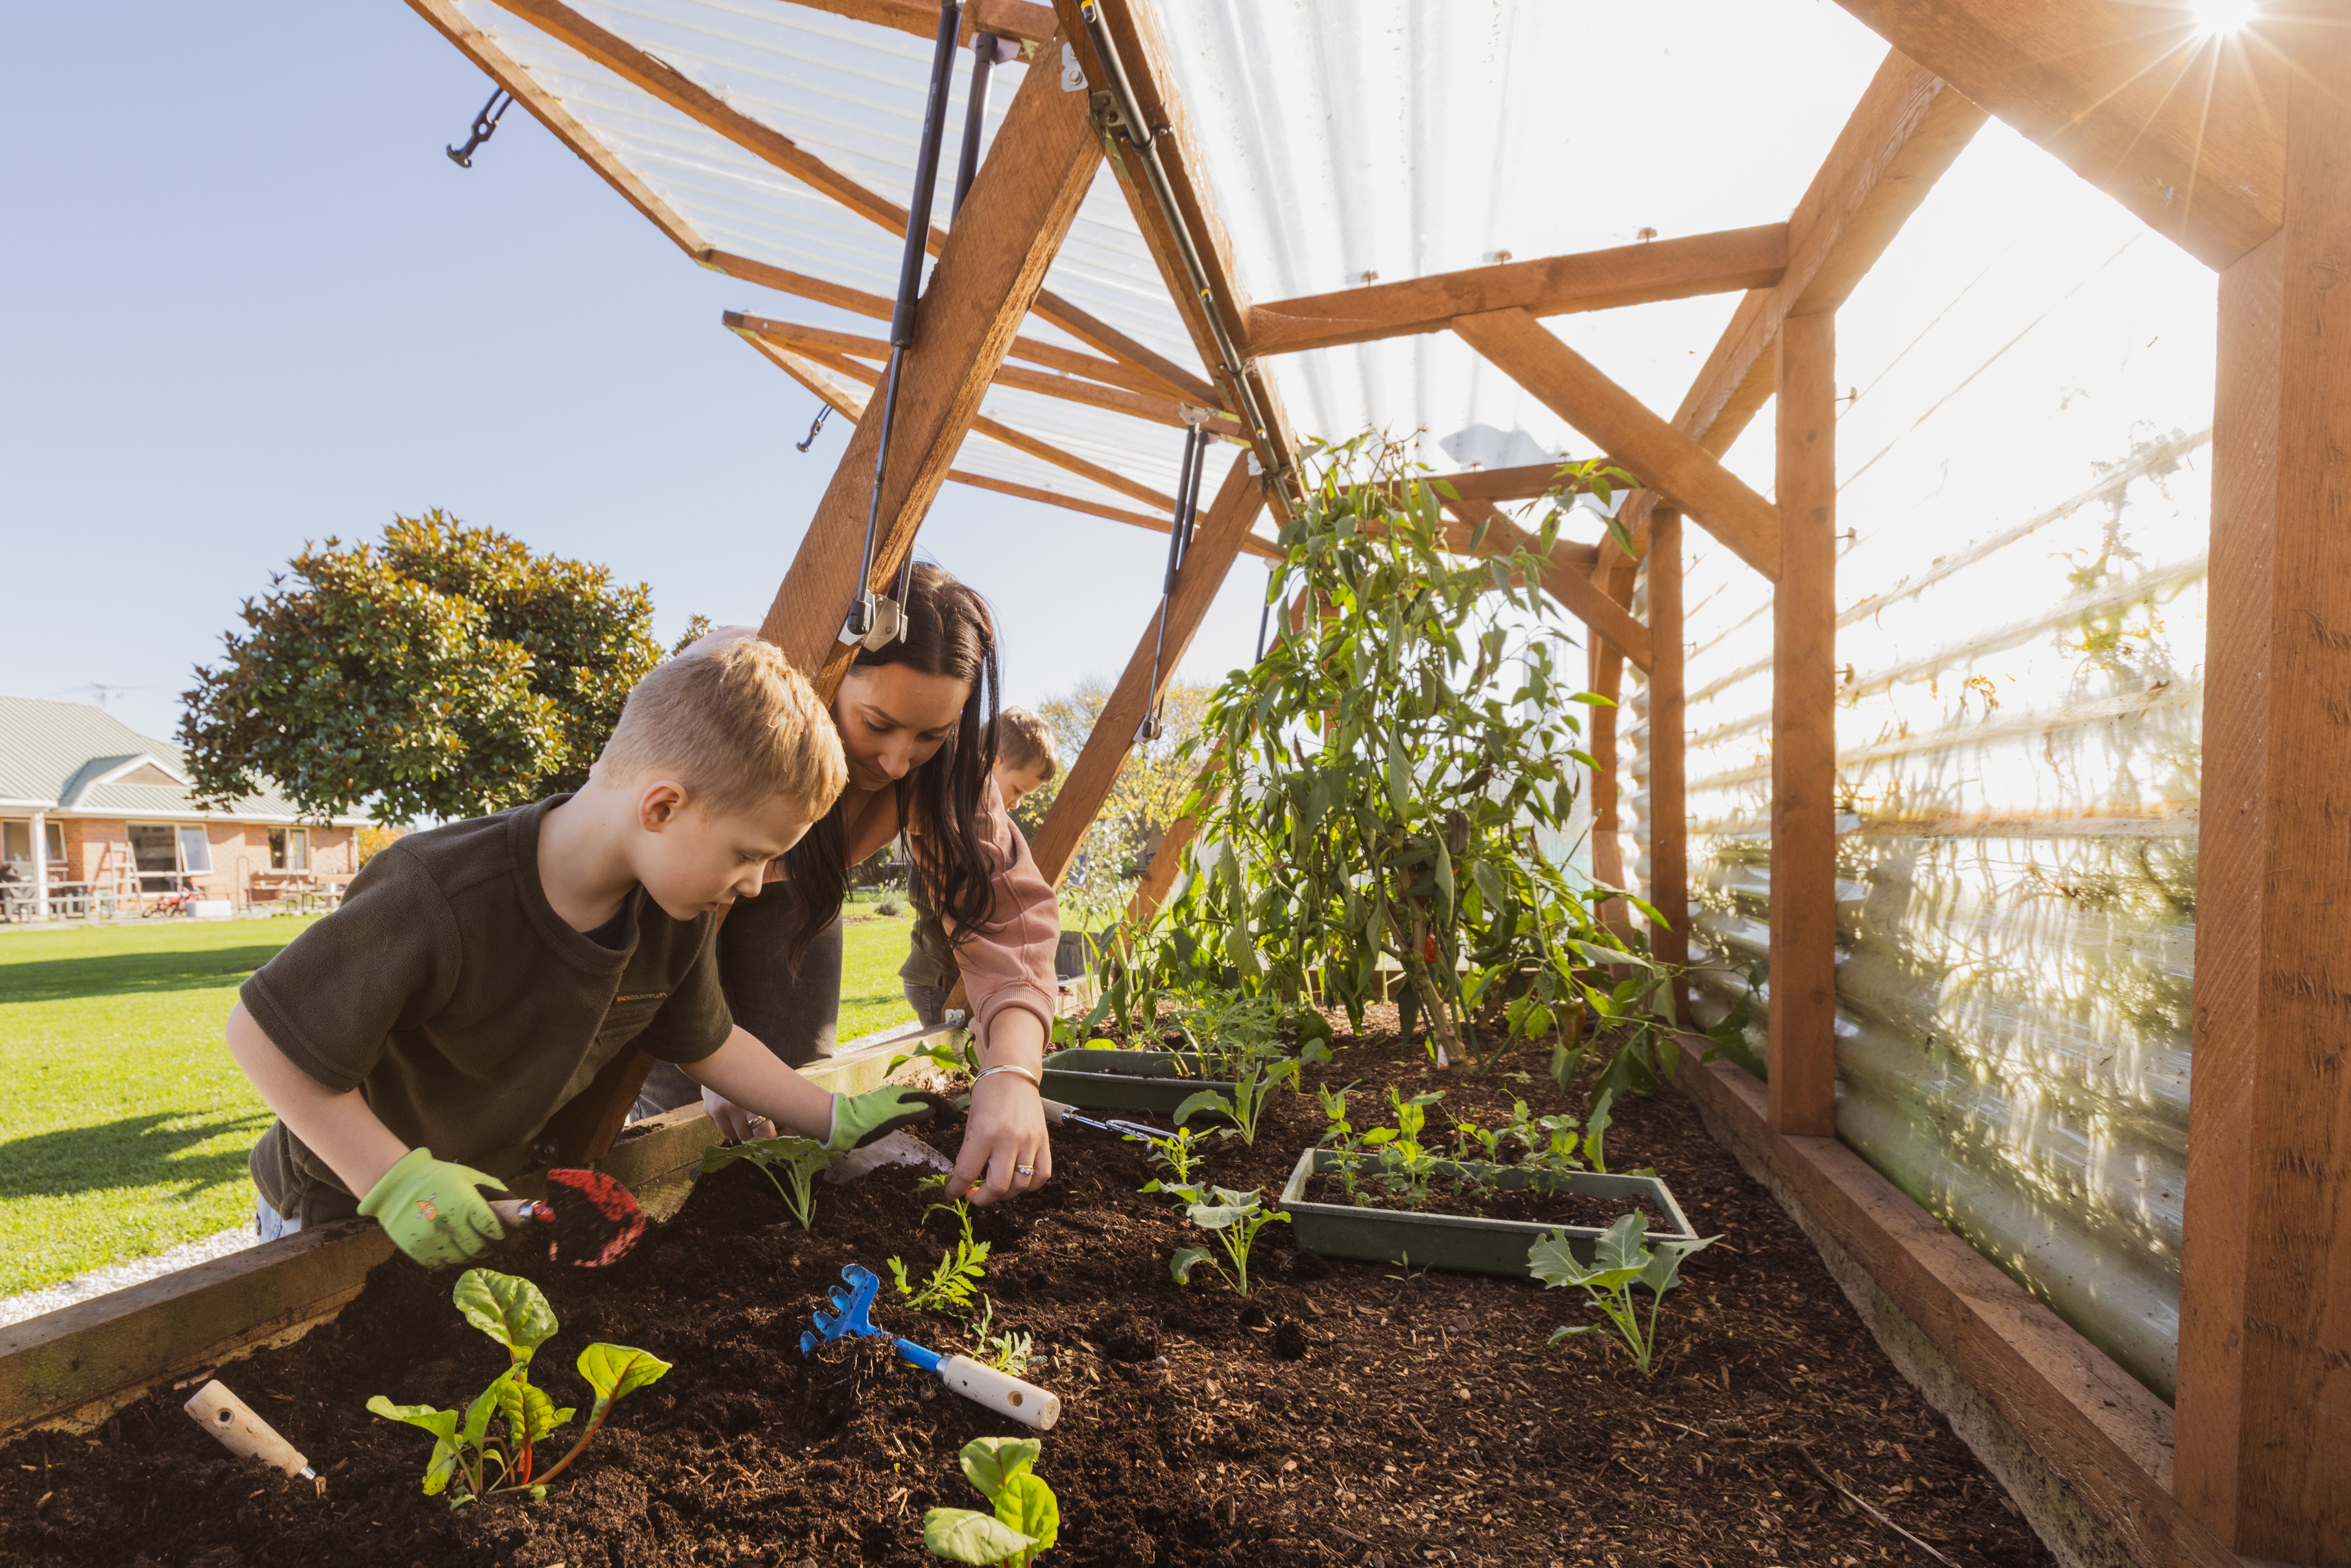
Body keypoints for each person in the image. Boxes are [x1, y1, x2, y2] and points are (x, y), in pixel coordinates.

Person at [225, 639, 945, 1268]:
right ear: (662, 807)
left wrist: (831, 1115)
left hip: (484, 1201)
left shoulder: (671, 916)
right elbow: (261, 1035)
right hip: (336, 1209)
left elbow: (712, 1045)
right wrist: (391, 1179)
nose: (756, 886)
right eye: (748, 856)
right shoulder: (440, 890)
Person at [637, 565, 1060, 1206]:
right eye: (877, 723)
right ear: (834, 675)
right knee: (678, 1107)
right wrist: (710, 1047)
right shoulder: (730, 686)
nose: (896, 762)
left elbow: (1004, 917)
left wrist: (1011, 1071)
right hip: (671, 904)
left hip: (799, 895)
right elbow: (649, 868)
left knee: (800, 1082)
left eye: (930, 735)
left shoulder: (948, 773)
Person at [900, 707, 1058, 1026]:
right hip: (940, 980)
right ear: (993, 761)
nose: (1016, 804)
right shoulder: (954, 817)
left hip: (947, 976)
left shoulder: (983, 828)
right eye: (1018, 790)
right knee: (954, 1061)